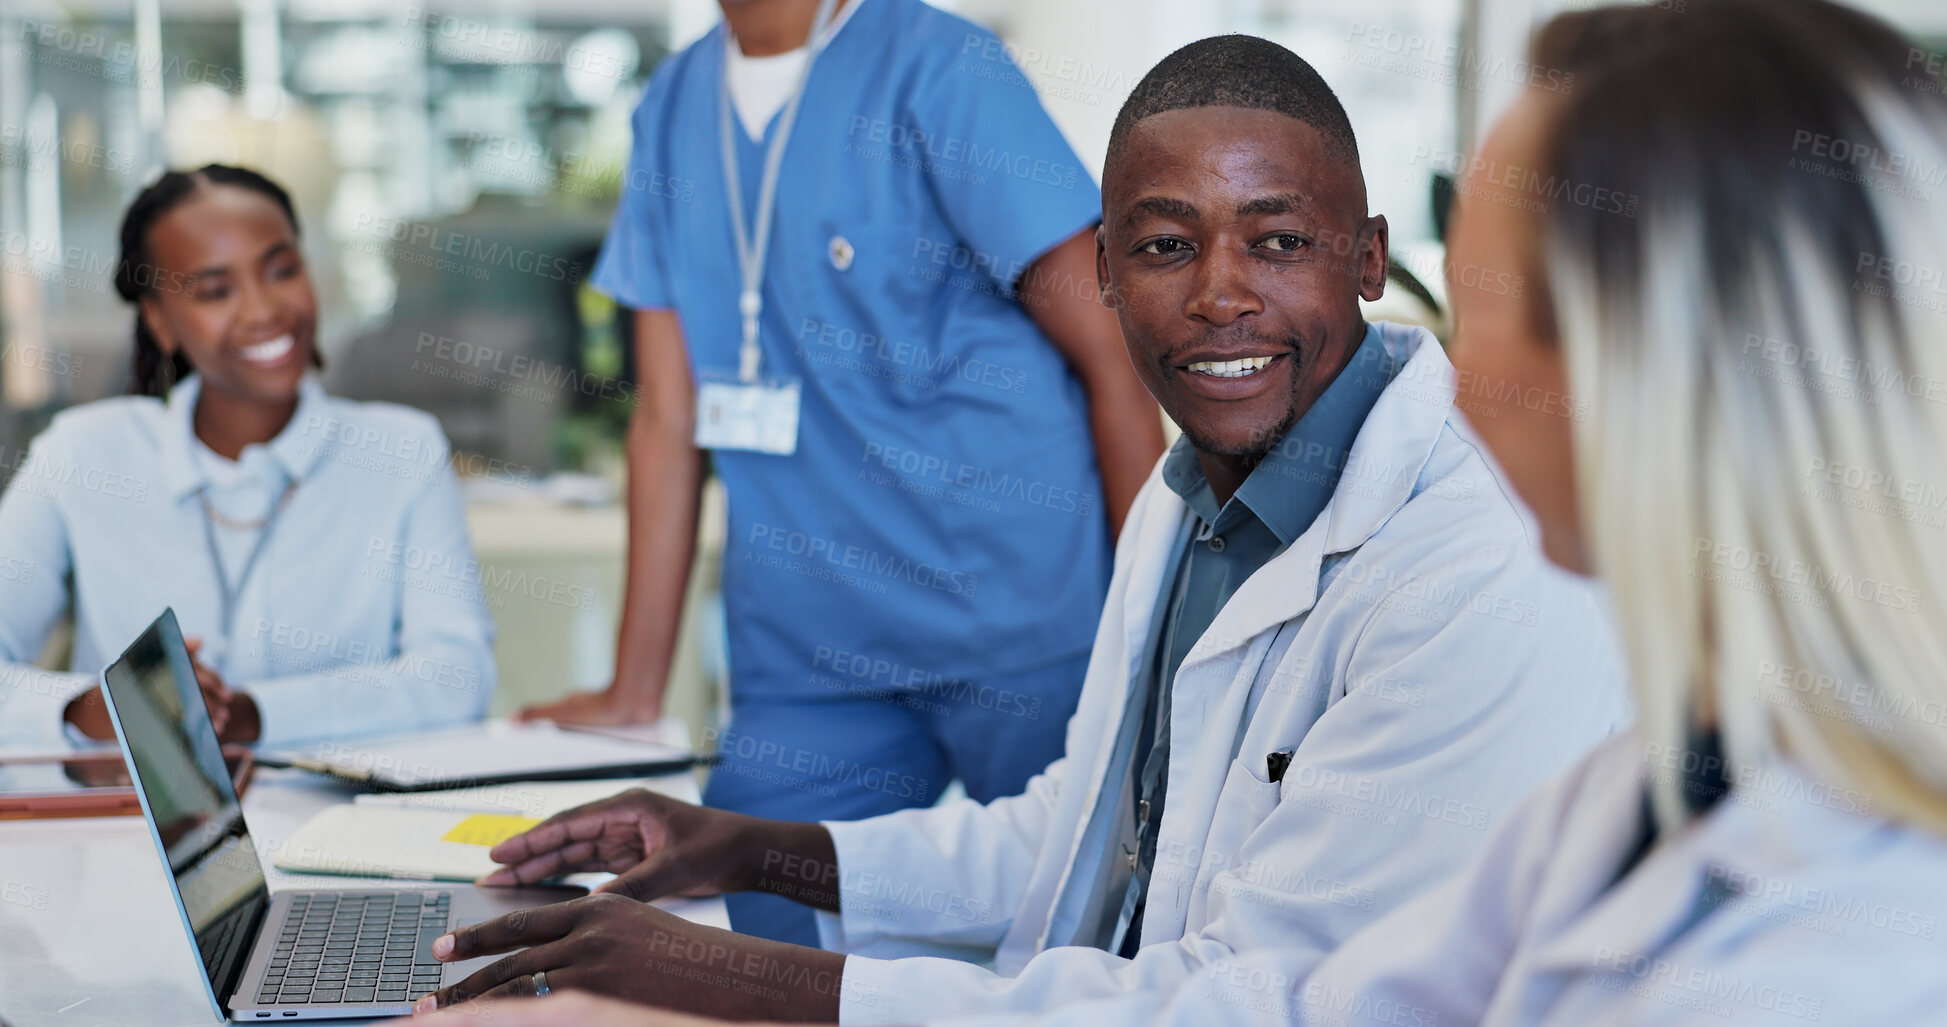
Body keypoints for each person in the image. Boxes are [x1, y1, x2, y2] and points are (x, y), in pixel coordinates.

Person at [407, 35, 1631, 1022]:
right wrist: (738, 848)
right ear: (1102, 270)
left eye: (1279, 241)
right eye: (1164, 246)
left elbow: (1273, 1000)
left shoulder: (1475, 566)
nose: (1218, 292)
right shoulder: (1189, 505)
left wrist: (727, 976)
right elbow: (1077, 838)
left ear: (1369, 258)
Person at [517, 0, 1165, 946]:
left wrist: (1150, 627)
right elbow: (666, 416)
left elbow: (1112, 355)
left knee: (1090, 935)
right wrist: (633, 687)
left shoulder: (939, 69)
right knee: (731, 918)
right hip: (811, 654)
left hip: (1022, 619)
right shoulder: (672, 106)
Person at [0, 164, 495, 750]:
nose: (263, 310)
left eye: (281, 270)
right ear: (160, 321)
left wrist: (256, 715)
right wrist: (88, 710)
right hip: (136, 832)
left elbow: (458, 677)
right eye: (215, 291)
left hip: (340, 826)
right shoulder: (82, 454)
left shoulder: (402, 452)